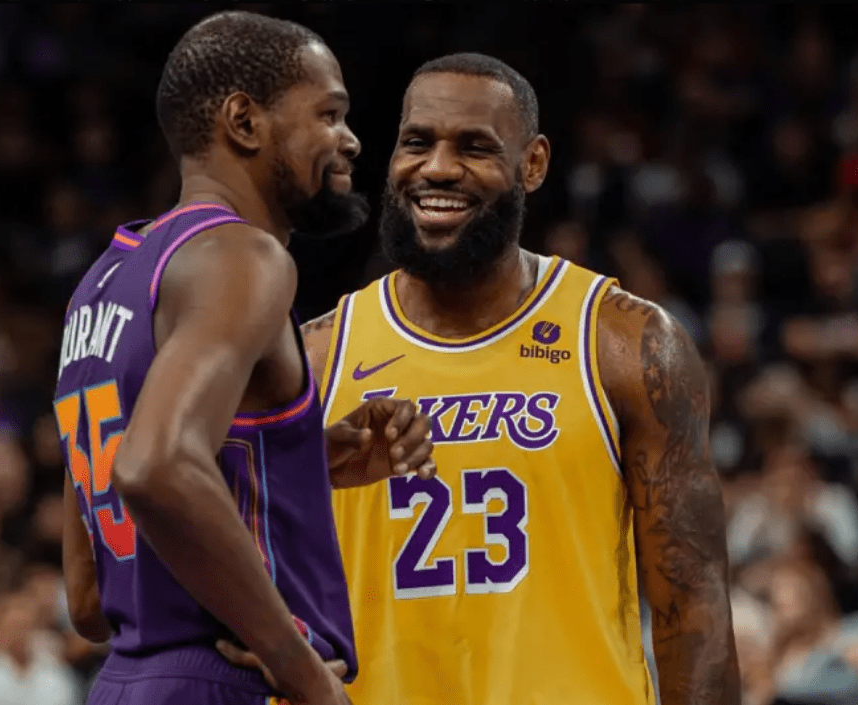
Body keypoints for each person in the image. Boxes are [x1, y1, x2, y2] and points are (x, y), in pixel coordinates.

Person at [300, 53, 742, 704]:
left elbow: (694, 607)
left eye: (473, 146)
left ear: (532, 164)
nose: (437, 167)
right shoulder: (316, 356)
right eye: (416, 142)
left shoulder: (627, 344)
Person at [54, 11, 433, 705]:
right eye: (328, 114)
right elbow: (155, 465)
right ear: (244, 121)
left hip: (126, 682)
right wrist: (297, 664)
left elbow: (87, 599)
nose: (350, 139)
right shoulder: (244, 256)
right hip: (224, 681)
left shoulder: (106, 279)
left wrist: (299, 463)